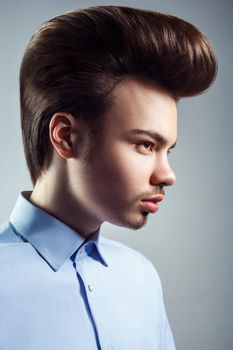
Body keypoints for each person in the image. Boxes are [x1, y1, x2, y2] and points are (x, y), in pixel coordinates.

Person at [0, 5, 217, 350]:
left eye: (168, 150)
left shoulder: (142, 277)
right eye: (146, 144)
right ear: (66, 136)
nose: (168, 175)